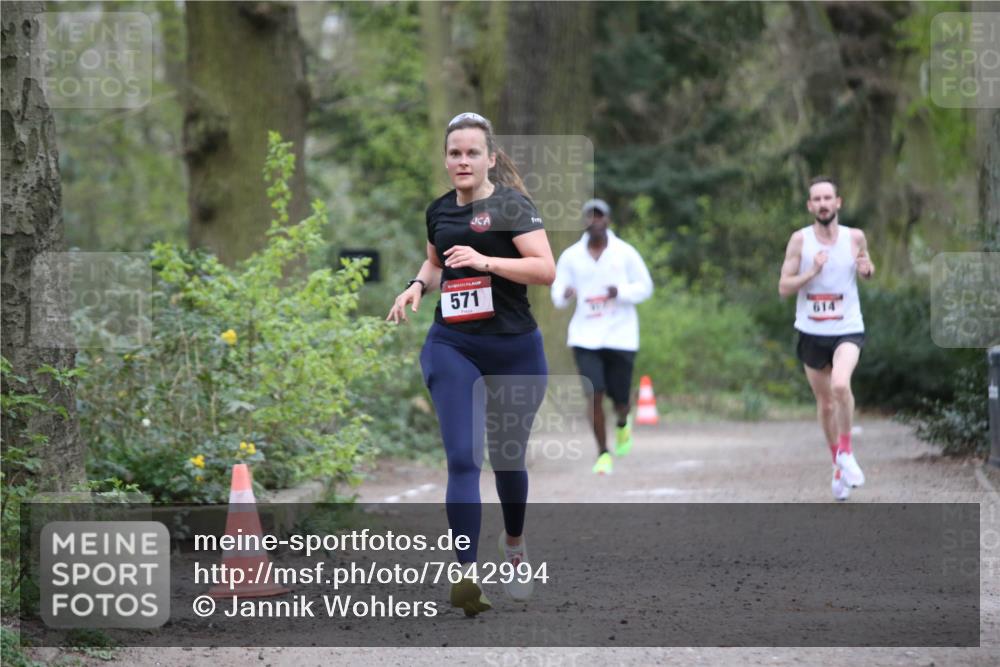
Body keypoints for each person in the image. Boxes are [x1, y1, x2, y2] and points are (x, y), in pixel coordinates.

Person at [387, 112, 555, 616]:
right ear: (446, 159)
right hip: (453, 344)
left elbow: (545, 269)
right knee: (463, 458)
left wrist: (486, 262)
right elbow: (437, 261)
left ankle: (515, 544)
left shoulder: (510, 206)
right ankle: (465, 575)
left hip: (514, 348)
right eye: (454, 153)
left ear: (490, 159)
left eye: (472, 153)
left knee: (508, 461)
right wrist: (417, 286)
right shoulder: (438, 210)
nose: (462, 161)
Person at [778, 176, 874, 501]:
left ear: (838, 203)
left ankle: (846, 453)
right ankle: (837, 464)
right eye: (816, 199)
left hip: (847, 327)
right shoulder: (800, 241)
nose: (822, 204)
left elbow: (866, 266)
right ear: (810, 206)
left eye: (827, 198)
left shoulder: (854, 237)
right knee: (825, 404)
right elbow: (784, 287)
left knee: (840, 386)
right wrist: (812, 273)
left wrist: (867, 270)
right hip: (811, 331)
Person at [551, 199, 653, 475]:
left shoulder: (625, 253)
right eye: (590, 217)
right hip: (585, 336)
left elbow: (646, 287)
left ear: (608, 220)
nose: (595, 222)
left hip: (620, 335)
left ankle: (622, 422)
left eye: (600, 217)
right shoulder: (571, 256)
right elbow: (557, 291)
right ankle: (602, 453)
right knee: (593, 394)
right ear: (584, 222)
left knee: (620, 398)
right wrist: (565, 294)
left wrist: (620, 291)